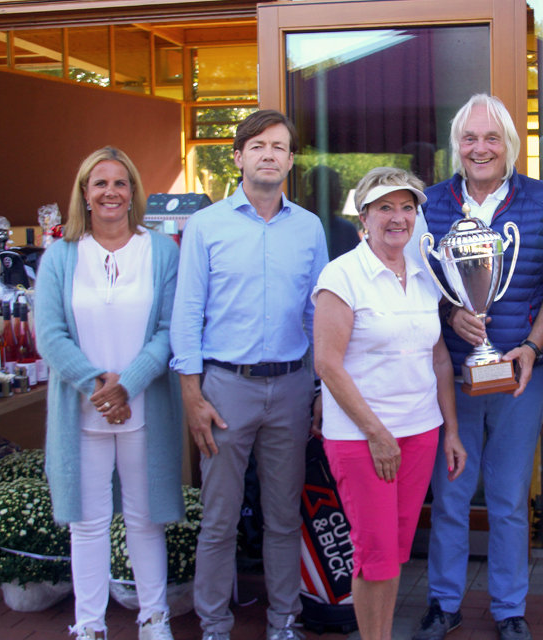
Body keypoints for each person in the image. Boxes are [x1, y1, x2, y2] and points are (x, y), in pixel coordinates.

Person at [170, 110, 328, 640]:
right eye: (257, 145)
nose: (269, 154)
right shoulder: (207, 226)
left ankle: (283, 622)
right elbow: (187, 313)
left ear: (290, 160)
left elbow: (317, 315)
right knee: (219, 517)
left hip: (289, 387)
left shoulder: (309, 228)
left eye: (279, 147)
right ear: (237, 157)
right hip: (224, 389)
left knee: (284, 517)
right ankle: (214, 622)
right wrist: (192, 395)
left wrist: (320, 389)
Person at [414, 93, 543, 640]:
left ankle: (509, 608)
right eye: (470, 138)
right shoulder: (427, 204)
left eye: (492, 138)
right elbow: (411, 287)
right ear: (457, 146)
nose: (481, 148)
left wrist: (534, 346)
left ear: (510, 146)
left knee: (507, 496)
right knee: (451, 493)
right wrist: (451, 314)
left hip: (521, 377)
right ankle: (443, 602)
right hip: (452, 376)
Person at [312, 167, 467, 640]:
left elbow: (439, 357)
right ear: (364, 217)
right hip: (364, 440)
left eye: (407, 207)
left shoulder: (424, 275)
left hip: (419, 433)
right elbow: (328, 364)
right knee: (375, 554)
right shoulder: (342, 275)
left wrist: (452, 431)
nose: (398, 218)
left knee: (395, 552)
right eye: (385, 207)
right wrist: (377, 434)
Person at [37, 146, 183, 640]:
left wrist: (129, 384)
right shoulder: (61, 256)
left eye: (120, 183)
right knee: (88, 522)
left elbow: (170, 329)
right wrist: (98, 384)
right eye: (100, 183)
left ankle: (154, 617)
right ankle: (90, 624)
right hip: (83, 411)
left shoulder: (161, 251)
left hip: (144, 407)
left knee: (145, 519)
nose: (111, 192)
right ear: (84, 192)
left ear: (134, 193)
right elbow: (50, 333)